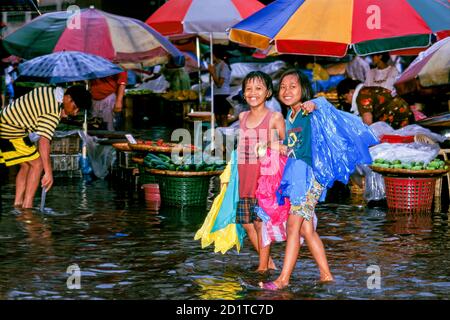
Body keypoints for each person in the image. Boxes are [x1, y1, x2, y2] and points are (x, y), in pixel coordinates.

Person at [259, 69, 378, 290]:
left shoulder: (307, 110)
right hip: (298, 176)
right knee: (306, 229)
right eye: (283, 87)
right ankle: (326, 275)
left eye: (292, 86)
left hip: (309, 177)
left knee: (292, 226)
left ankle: (283, 280)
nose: (286, 90)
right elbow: (298, 149)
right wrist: (278, 147)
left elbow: (323, 105)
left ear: (303, 90)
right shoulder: (291, 116)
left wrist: (314, 104)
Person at [0, 85, 91, 209]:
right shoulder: (52, 111)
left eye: (78, 110)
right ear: (68, 98)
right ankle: (27, 209)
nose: (75, 113)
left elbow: (37, 111)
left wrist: (61, 112)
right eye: (75, 108)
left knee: (26, 165)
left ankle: (17, 205)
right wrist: (48, 173)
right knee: (38, 164)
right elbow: (44, 142)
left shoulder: (50, 92)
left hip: (7, 123)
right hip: (10, 129)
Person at [237, 71, 285, 272]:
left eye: (258, 88)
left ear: (268, 93)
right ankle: (270, 264)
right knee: (247, 224)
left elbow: (289, 145)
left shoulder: (274, 117)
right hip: (245, 180)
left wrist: (269, 144)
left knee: (260, 225)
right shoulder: (242, 116)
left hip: (264, 182)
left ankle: (263, 268)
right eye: (248, 89)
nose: (252, 93)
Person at [337, 78, 413, 129]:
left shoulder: (361, 97)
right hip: (404, 113)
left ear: (352, 92)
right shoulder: (366, 91)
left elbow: (368, 122)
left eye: (345, 98)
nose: (346, 101)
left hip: (399, 118)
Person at [206, 47, 232, 127]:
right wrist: (211, 73)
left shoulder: (223, 66)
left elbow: (219, 84)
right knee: (217, 116)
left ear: (215, 55)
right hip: (216, 94)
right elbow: (211, 82)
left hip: (223, 94)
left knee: (223, 116)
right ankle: (220, 134)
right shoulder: (215, 65)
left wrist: (212, 72)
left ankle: (225, 136)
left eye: (211, 55)